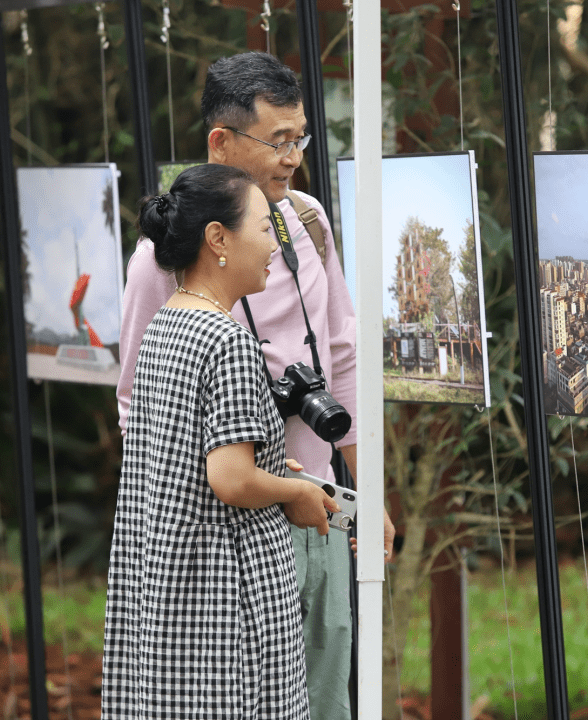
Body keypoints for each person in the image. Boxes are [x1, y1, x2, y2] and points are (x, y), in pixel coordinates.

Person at [116, 52, 395, 720]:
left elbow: (343, 358)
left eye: (299, 138)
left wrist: (367, 488)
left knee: (323, 697)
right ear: (221, 141)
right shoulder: (163, 263)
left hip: (318, 508)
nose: (292, 156)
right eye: (278, 140)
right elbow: (137, 402)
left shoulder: (308, 224)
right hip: (226, 529)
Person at [102, 164, 339, 719]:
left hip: (169, 583)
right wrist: (293, 493)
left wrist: (266, 464)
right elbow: (230, 480)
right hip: (224, 591)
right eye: (264, 229)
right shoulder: (229, 340)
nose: (274, 248)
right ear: (218, 239)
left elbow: (183, 452)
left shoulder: (167, 323)